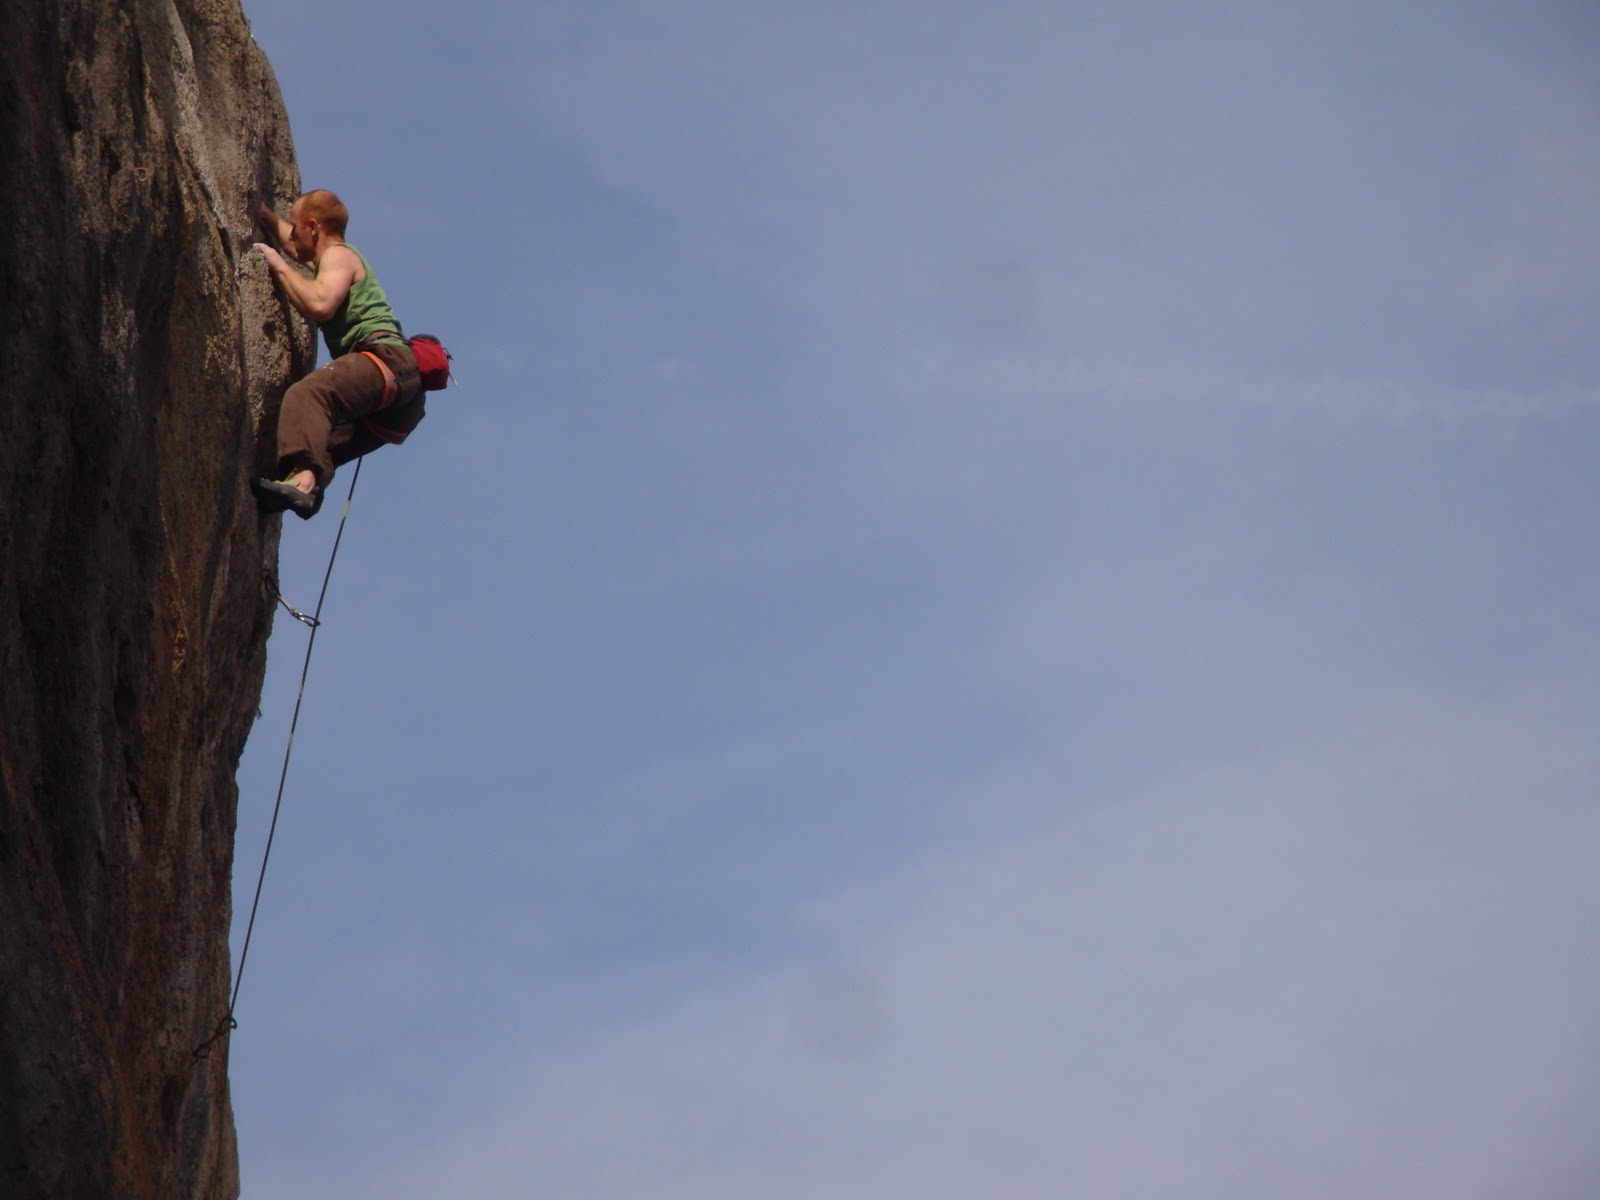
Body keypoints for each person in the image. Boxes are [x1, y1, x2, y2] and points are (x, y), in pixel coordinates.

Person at [250, 189, 425, 518]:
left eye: (297, 227)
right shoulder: (327, 255)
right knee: (319, 437)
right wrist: (266, 217)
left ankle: (301, 484)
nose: (293, 236)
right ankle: (304, 487)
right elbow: (296, 244)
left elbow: (321, 304)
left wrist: (279, 267)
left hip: (386, 359)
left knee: (309, 396)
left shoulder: (339, 256)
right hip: (399, 410)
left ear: (314, 228)